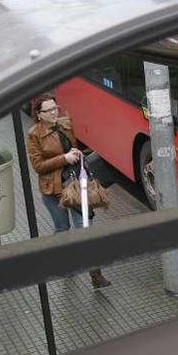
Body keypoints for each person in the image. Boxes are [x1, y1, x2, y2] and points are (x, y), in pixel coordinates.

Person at [27, 94, 110, 288]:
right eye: (48, 110)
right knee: (63, 230)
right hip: (54, 190)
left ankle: (95, 275)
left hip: (75, 187)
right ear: (39, 115)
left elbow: (74, 148)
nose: (54, 112)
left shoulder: (65, 125)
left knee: (85, 230)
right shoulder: (34, 134)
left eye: (55, 108)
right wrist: (64, 159)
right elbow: (38, 165)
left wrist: (76, 153)